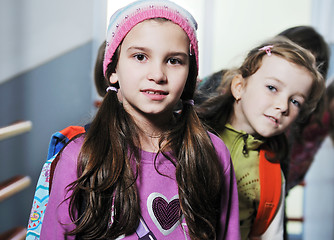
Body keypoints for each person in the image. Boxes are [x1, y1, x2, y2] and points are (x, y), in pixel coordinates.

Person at [39, 0, 241, 239]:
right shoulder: (81, 156)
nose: (157, 75)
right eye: (140, 56)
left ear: (190, 75)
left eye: (174, 60)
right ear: (113, 70)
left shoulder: (212, 152)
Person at [196, 36, 325, 240]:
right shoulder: (190, 138)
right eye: (272, 88)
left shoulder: (273, 177)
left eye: (295, 101)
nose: (283, 106)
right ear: (239, 86)